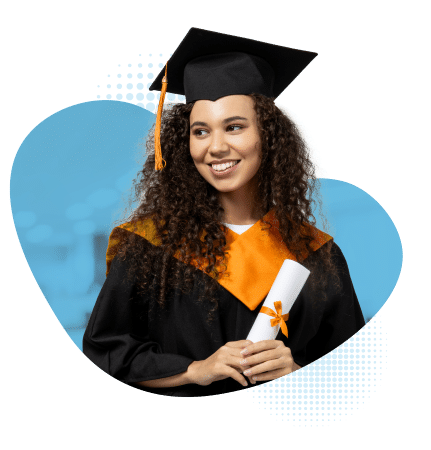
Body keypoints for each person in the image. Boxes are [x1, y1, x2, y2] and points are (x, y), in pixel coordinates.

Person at [83, 28, 365, 397]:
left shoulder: (318, 254)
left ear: (267, 134)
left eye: (234, 127)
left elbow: (355, 378)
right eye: (200, 132)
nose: (215, 147)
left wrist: (296, 373)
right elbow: (107, 354)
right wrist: (194, 370)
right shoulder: (148, 247)